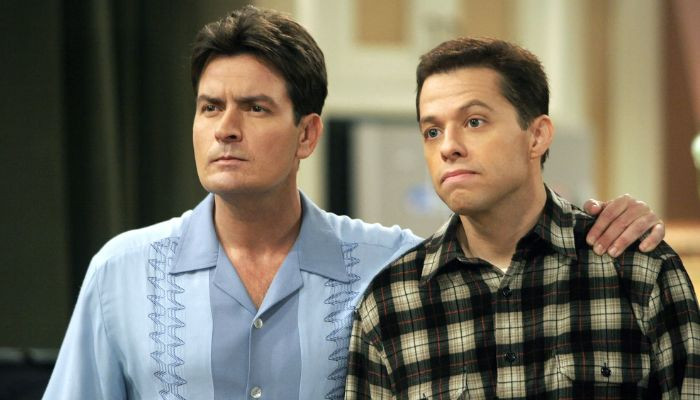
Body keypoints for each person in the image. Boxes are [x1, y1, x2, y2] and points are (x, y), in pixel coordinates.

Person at [44, 7, 666, 400]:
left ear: (307, 134)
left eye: (255, 108)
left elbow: (504, 250)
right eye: (210, 108)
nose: (225, 129)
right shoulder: (121, 272)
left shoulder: (392, 269)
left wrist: (612, 218)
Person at [344, 37, 700, 399]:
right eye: (432, 132)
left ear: (537, 136)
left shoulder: (638, 270)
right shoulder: (388, 304)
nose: (448, 147)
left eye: (474, 121)